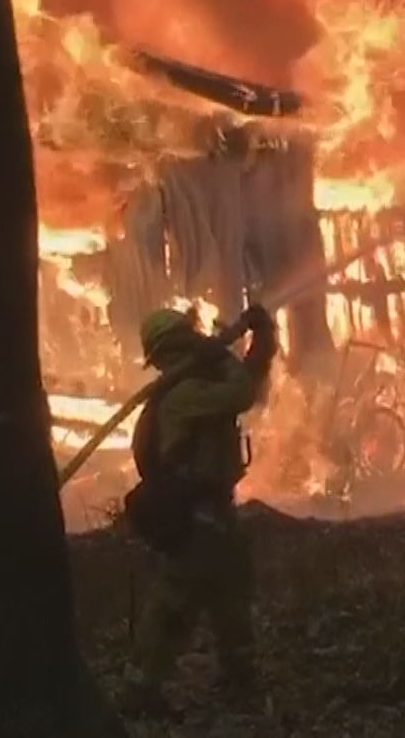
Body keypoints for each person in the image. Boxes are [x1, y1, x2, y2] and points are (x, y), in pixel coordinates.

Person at [121, 302, 277, 710]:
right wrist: (222, 355)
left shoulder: (188, 388)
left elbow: (246, 384)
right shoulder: (184, 394)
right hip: (197, 514)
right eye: (190, 336)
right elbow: (241, 393)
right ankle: (140, 691)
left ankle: (239, 680)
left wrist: (262, 343)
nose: (199, 339)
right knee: (176, 601)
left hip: (211, 512)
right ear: (178, 346)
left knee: (230, 594)